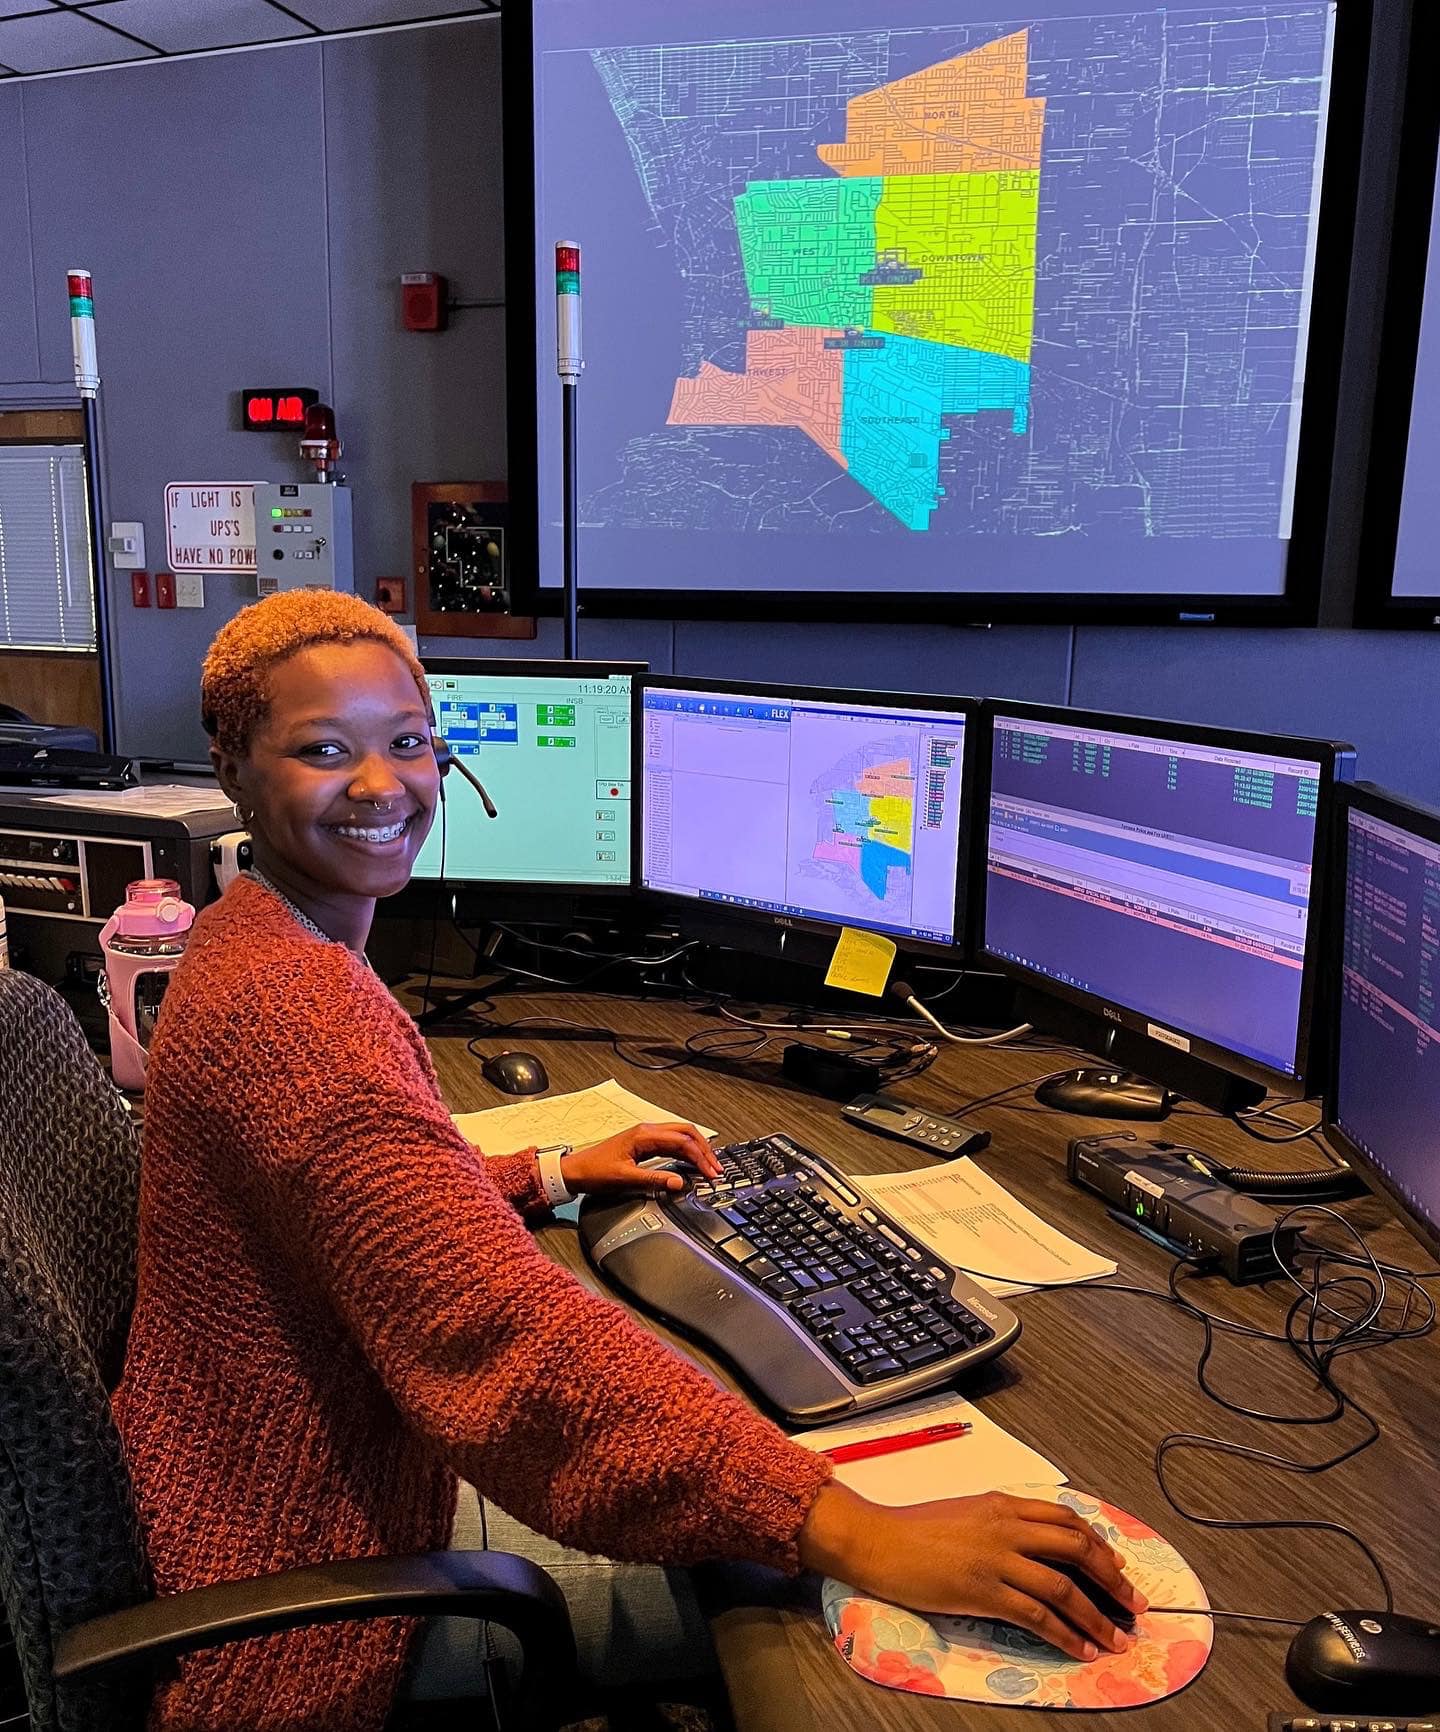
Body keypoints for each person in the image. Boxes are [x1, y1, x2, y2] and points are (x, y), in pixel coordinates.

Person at [115, 592, 1144, 1732]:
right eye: (324, 750)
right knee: (777, 1606)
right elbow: (497, 1336)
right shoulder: (295, 1013)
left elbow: (360, 1198)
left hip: (268, 1508)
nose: (381, 786)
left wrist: (550, 1172)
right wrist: (850, 1526)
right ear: (235, 766)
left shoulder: (252, 938)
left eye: (408, 742)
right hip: (313, 1602)